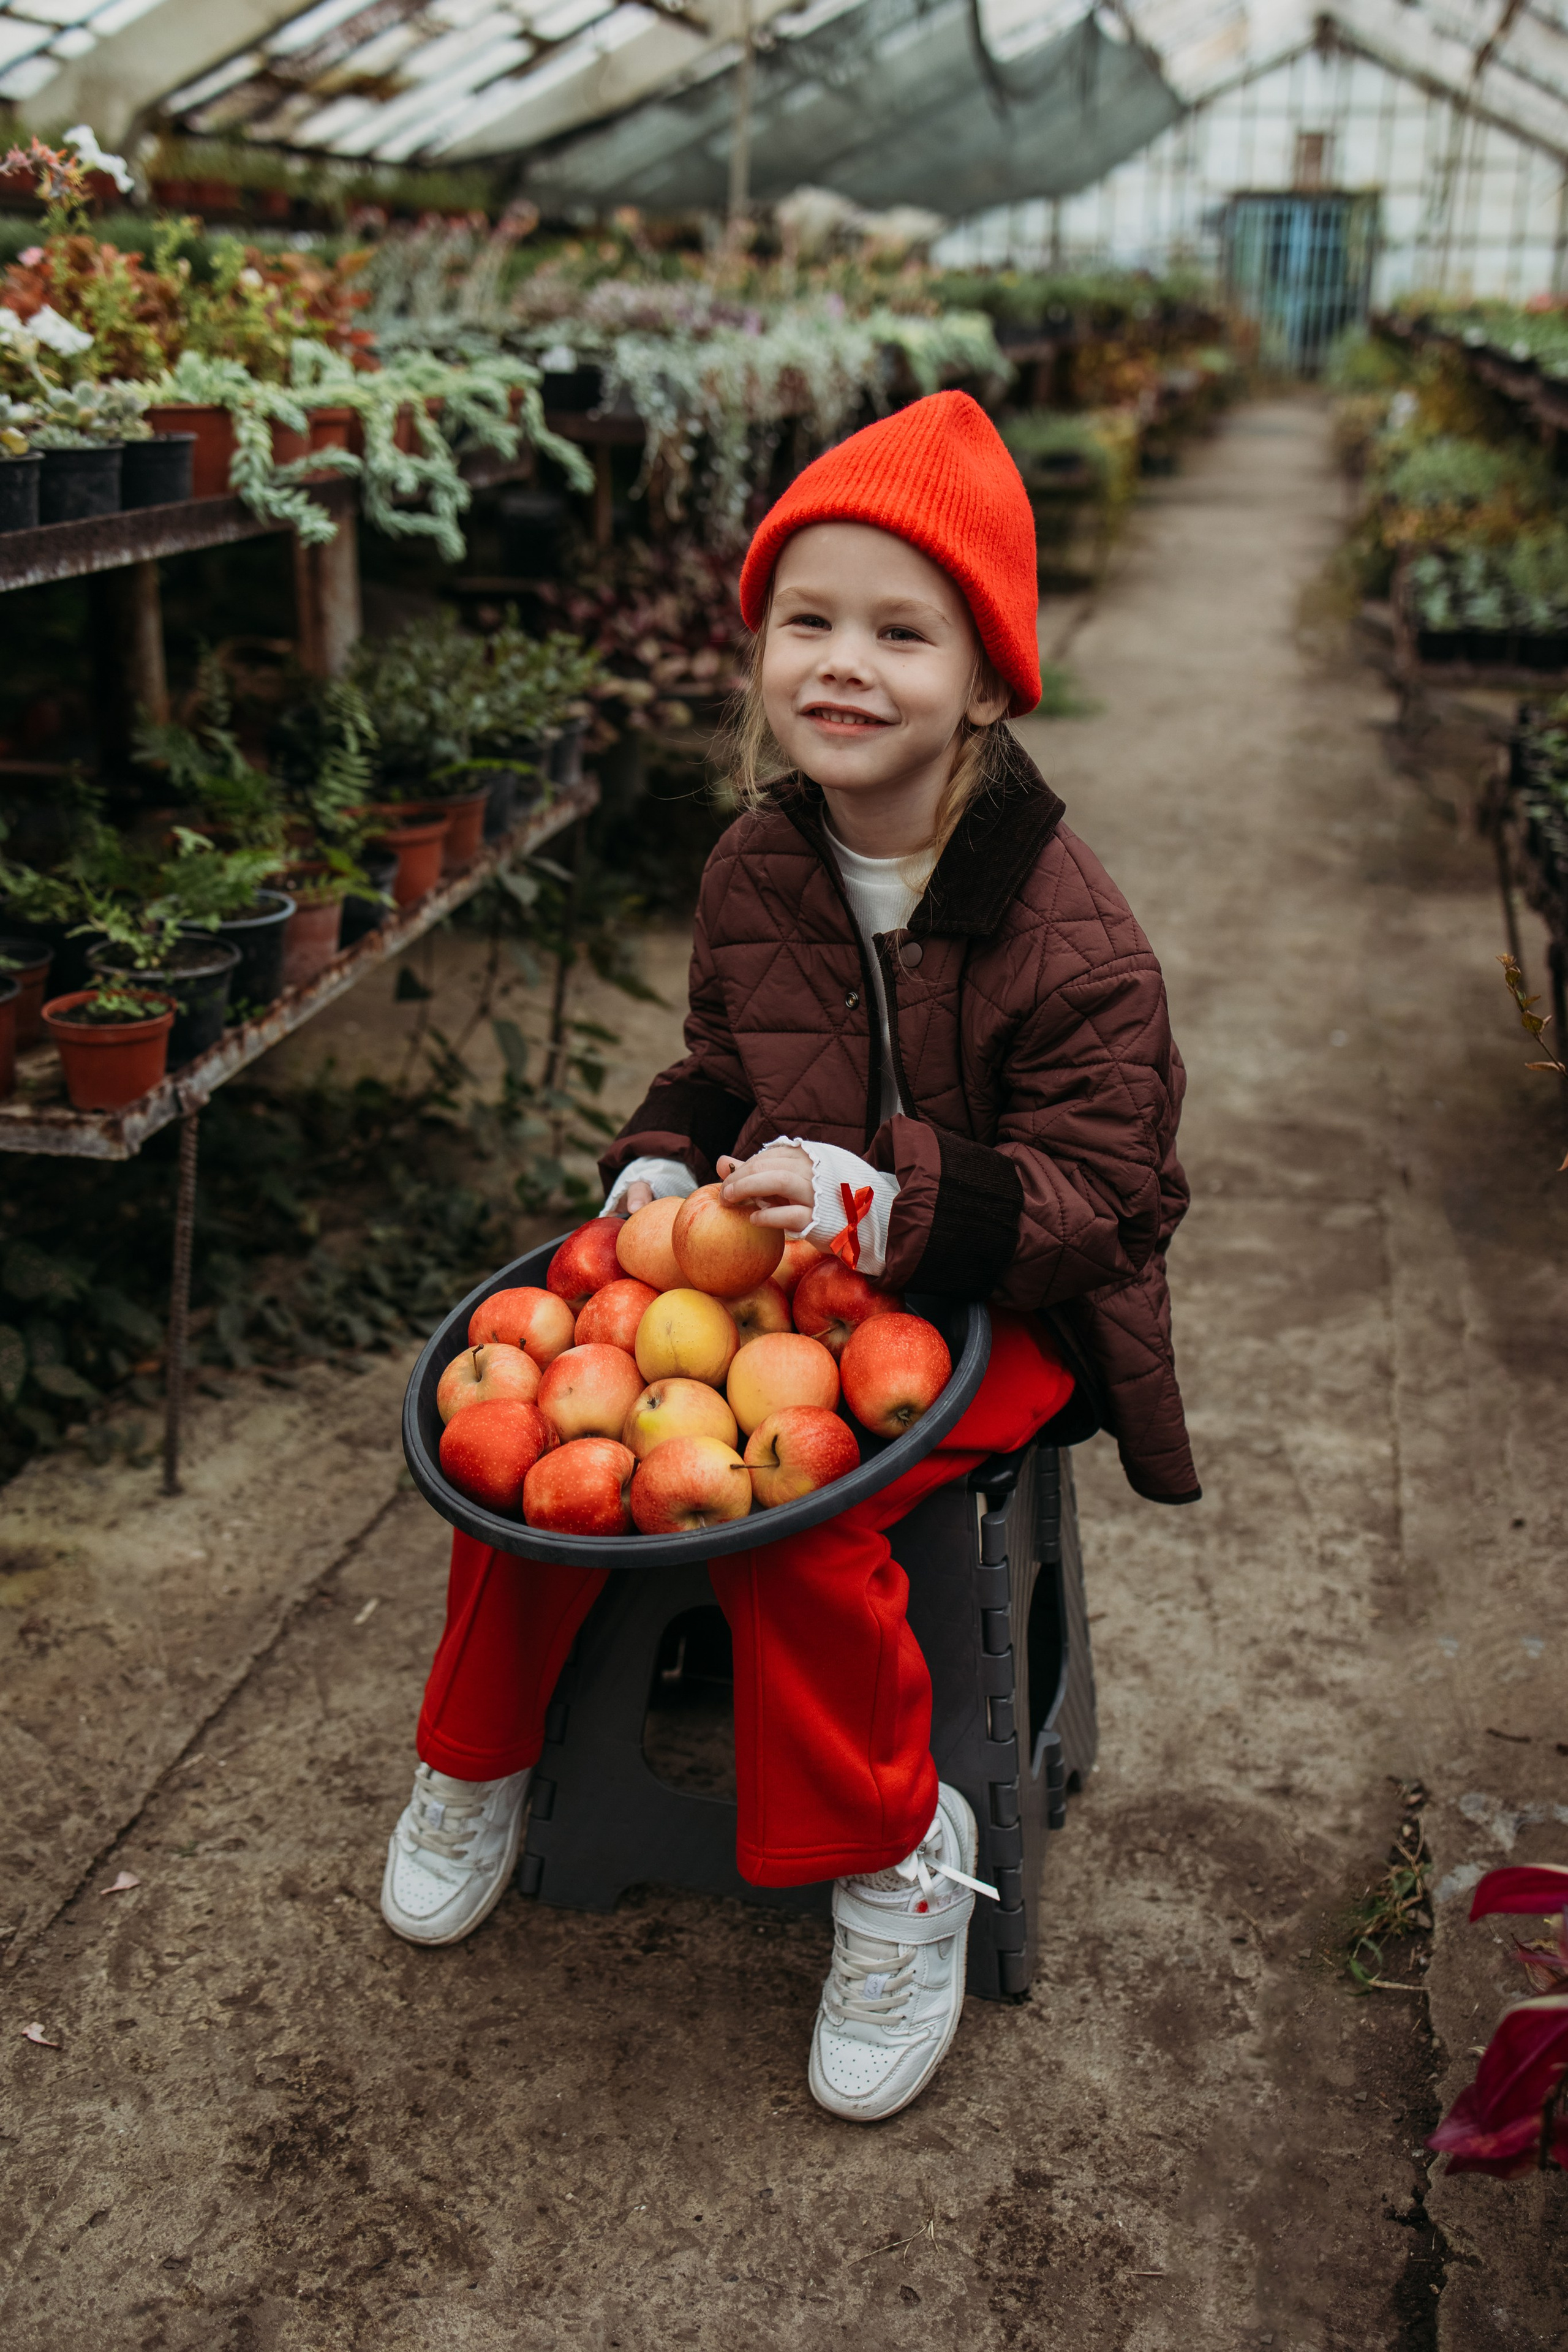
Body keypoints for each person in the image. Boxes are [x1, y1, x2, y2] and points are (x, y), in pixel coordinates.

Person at [380, 390, 1199, 2124]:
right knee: (529, 1449)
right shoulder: (759, 858)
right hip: (777, 1291)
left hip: (1001, 1307)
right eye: (806, 621)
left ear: (986, 684)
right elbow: (720, 1060)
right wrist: (666, 1152)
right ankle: (476, 1763)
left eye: (903, 632)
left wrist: (888, 1204)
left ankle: (900, 1853)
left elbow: (1102, 1201)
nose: (843, 664)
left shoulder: (1071, 931)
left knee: (796, 1519)